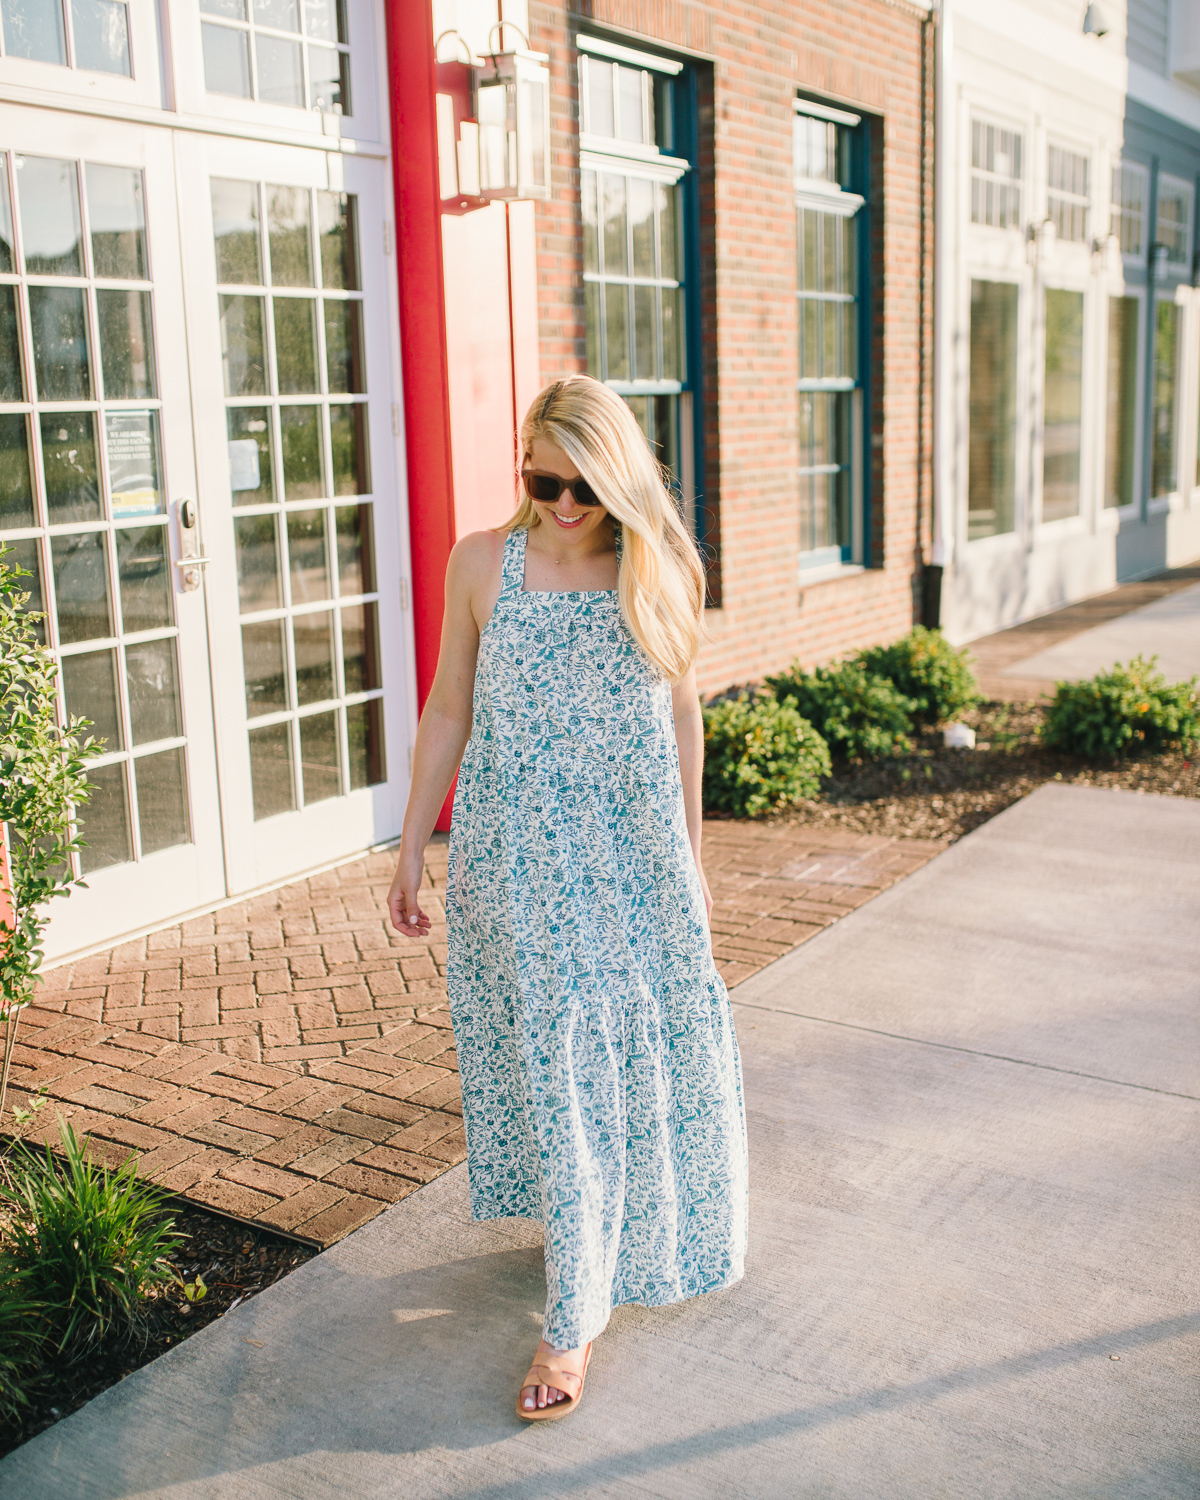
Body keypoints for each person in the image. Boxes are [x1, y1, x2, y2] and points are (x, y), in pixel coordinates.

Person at [387, 375, 748, 1423]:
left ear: (619, 473)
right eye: (544, 480)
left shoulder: (658, 563)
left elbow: (684, 720)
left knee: (612, 1055)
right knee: (555, 1062)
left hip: (632, 859)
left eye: (585, 483)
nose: (565, 504)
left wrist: (691, 859)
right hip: (516, 861)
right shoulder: (480, 564)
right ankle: (585, 1248)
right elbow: (448, 709)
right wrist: (412, 849)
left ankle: (570, 1320)